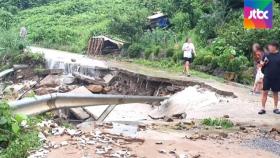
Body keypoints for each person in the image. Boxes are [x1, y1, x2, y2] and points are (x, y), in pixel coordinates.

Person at [258, 41, 280, 115]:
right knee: (265, 92)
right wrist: (262, 63)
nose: (269, 48)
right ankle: (263, 108)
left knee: (276, 93)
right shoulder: (266, 55)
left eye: (270, 46)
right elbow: (261, 65)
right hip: (267, 77)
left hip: (277, 77)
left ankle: (275, 108)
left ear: (275, 47)